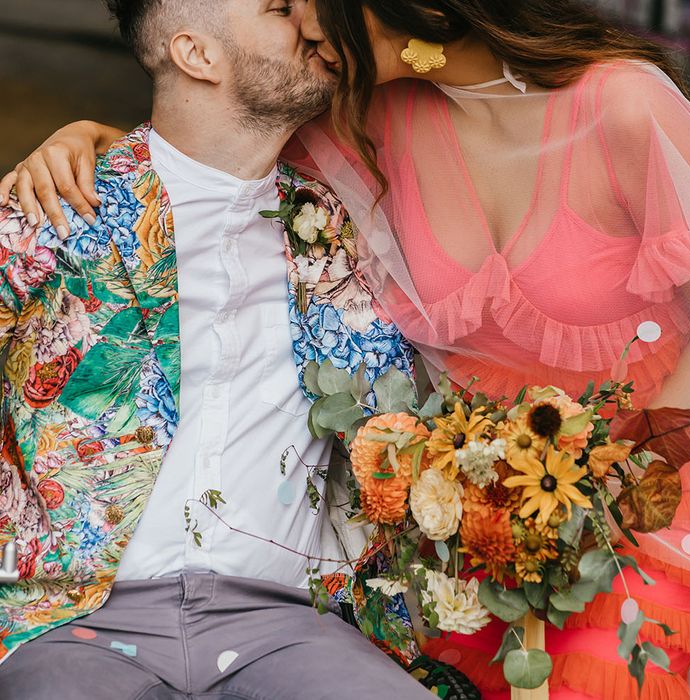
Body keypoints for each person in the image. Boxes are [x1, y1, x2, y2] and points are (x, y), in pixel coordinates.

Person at [6, 1, 690, 699]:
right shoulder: (359, 126)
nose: (302, 25)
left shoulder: (620, 104)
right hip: (486, 505)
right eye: (282, 8)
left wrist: (603, 489)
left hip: (658, 469)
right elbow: (206, 141)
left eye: (304, 5)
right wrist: (94, 143)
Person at [0, 1, 440, 699]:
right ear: (195, 54)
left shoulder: (340, 230)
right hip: (73, 621)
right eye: (278, 8)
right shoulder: (55, 205)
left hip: (292, 622)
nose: (313, 25)